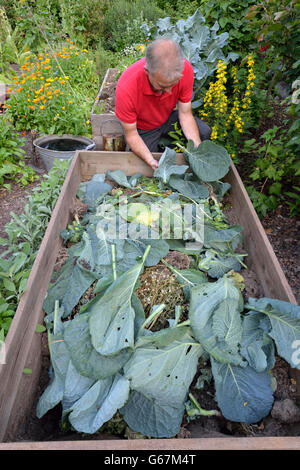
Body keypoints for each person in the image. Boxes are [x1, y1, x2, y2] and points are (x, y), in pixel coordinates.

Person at [115, 37, 211, 170]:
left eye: (173, 85)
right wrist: (151, 161)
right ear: (148, 71)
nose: (169, 91)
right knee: (142, 168)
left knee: (203, 132)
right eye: (162, 86)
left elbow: (185, 114)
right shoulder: (127, 87)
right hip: (143, 128)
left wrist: (197, 153)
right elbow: (131, 134)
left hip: (167, 118)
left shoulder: (186, 70)